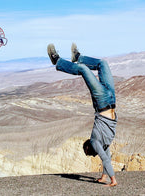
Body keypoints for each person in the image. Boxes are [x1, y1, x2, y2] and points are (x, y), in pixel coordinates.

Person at [47, 43, 118, 187]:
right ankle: (58, 62)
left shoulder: (101, 142)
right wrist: (112, 180)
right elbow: (106, 159)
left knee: (89, 68)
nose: (84, 145)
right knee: (101, 64)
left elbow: (106, 158)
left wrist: (104, 176)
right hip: (109, 100)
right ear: (88, 149)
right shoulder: (96, 143)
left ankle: (76, 58)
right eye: (84, 148)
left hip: (103, 101)